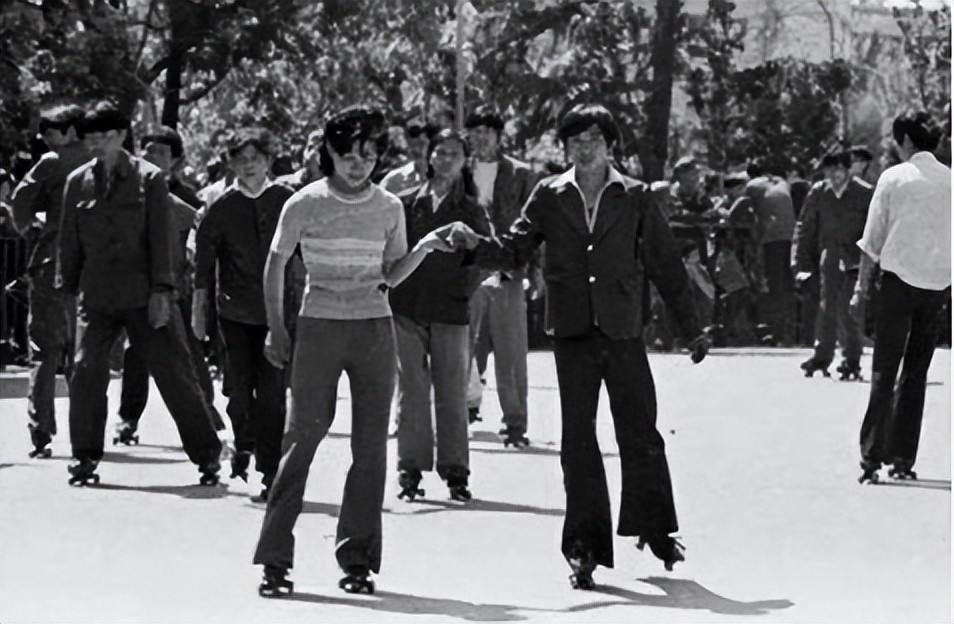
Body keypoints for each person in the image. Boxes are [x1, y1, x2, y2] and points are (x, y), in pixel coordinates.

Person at [452, 104, 710, 589]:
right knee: (578, 440)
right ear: (566, 147)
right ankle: (583, 548)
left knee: (640, 431)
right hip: (572, 331)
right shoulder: (549, 194)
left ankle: (655, 528)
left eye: (594, 138)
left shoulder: (634, 195)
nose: (584, 148)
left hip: (623, 329)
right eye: (575, 140)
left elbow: (666, 264)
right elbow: (514, 248)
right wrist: (473, 245)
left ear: (610, 145)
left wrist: (691, 327)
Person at [252, 105, 456, 597]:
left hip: (373, 331)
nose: (358, 165)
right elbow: (275, 265)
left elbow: (390, 273)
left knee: (370, 448)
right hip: (319, 327)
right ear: (330, 152)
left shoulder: (389, 207)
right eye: (348, 156)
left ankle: (358, 559)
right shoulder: (303, 203)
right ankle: (275, 558)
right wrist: (276, 329)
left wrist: (424, 248)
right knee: (301, 438)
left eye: (368, 155)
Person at [56, 101, 222, 485]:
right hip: (97, 296)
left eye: (103, 137)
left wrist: (163, 290)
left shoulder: (150, 179)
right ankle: (84, 457)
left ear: (120, 136)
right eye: (90, 139)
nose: (95, 145)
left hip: (144, 294)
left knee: (175, 374)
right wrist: (66, 290)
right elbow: (69, 242)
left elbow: (162, 238)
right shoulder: (77, 182)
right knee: (85, 370)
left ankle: (207, 455)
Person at [192, 127, 293, 500]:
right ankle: (243, 442)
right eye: (241, 160)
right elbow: (203, 268)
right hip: (233, 313)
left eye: (256, 159)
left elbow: (307, 253)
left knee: (272, 393)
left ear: (268, 161)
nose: (249, 166)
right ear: (231, 164)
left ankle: (270, 469)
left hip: (277, 313)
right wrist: (199, 313)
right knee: (237, 389)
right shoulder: (220, 207)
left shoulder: (287, 201)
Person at [853, 111, 951, 483]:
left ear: (906, 140)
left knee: (884, 368)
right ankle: (902, 458)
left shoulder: (893, 178)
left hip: (897, 283)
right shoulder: (950, 180)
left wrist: (861, 288)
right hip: (937, 286)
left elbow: (872, 239)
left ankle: (871, 457)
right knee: (915, 372)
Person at [389, 130, 486, 503]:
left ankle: (456, 471)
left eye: (454, 154)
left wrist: (463, 290)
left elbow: (484, 259)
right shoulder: (405, 203)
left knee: (451, 391)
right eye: (440, 152)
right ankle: (410, 469)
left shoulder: (471, 210)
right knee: (412, 389)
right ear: (428, 156)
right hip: (407, 307)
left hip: (451, 308)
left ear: (465, 161)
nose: (446, 159)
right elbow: (392, 252)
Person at [114, 125, 226, 445]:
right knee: (135, 353)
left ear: (176, 160)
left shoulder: (189, 200)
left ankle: (206, 414)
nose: (152, 156)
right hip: (137, 286)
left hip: (179, 288)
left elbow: (203, 242)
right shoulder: (126, 192)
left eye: (161, 152)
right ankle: (128, 420)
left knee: (188, 353)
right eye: (147, 150)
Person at [8, 104, 89, 458]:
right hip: (93, 267)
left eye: (50, 132)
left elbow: (20, 202)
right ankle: (86, 430)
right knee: (84, 353)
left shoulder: (51, 162)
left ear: (69, 131)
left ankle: (41, 430)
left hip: (51, 264)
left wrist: (30, 227)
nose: (44, 139)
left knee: (44, 349)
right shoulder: (102, 161)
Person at [463, 108, 539, 445]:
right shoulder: (457, 170)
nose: (481, 138)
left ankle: (515, 423)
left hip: (508, 269)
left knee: (511, 352)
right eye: (475, 131)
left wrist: (536, 269)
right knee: (459, 347)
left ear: (498, 136)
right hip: (466, 270)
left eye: (487, 131)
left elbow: (536, 223)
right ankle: (458, 414)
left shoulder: (520, 174)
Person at [794, 151, 872, 379]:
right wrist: (800, 261)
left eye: (839, 168)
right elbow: (806, 226)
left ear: (848, 169)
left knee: (849, 309)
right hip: (829, 255)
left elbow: (874, 226)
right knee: (826, 307)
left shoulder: (864, 193)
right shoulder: (819, 192)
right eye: (829, 169)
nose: (834, 174)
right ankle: (822, 356)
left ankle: (851, 359)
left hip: (856, 257)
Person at [745, 169, 797, 345]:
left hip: (772, 237)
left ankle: (778, 330)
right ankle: (789, 330)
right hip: (790, 236)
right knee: (786, 285)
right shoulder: (781, 183)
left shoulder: (752, 185)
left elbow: (741, 209)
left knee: (774, 284)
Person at [380, 120, 438, 194]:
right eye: (416, 142)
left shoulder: (442, 178)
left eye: (422, 144)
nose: (417, 149)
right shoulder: (394, 178)